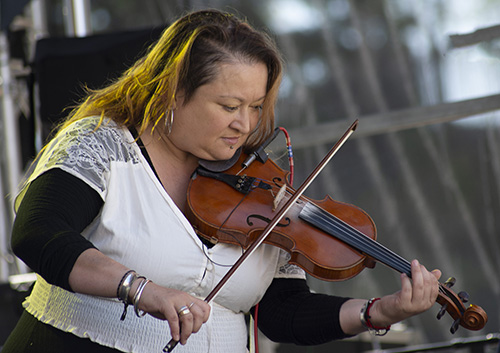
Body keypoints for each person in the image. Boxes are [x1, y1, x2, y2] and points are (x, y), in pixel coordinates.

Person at [2, 9, 441, 353]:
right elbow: (38, 233)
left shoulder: (259, 187)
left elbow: (281, 312)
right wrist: (142, 290)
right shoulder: (105, 144)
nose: (244, 125)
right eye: (229, 105)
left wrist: (379, 311)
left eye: (255, 107)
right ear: (172, 91)